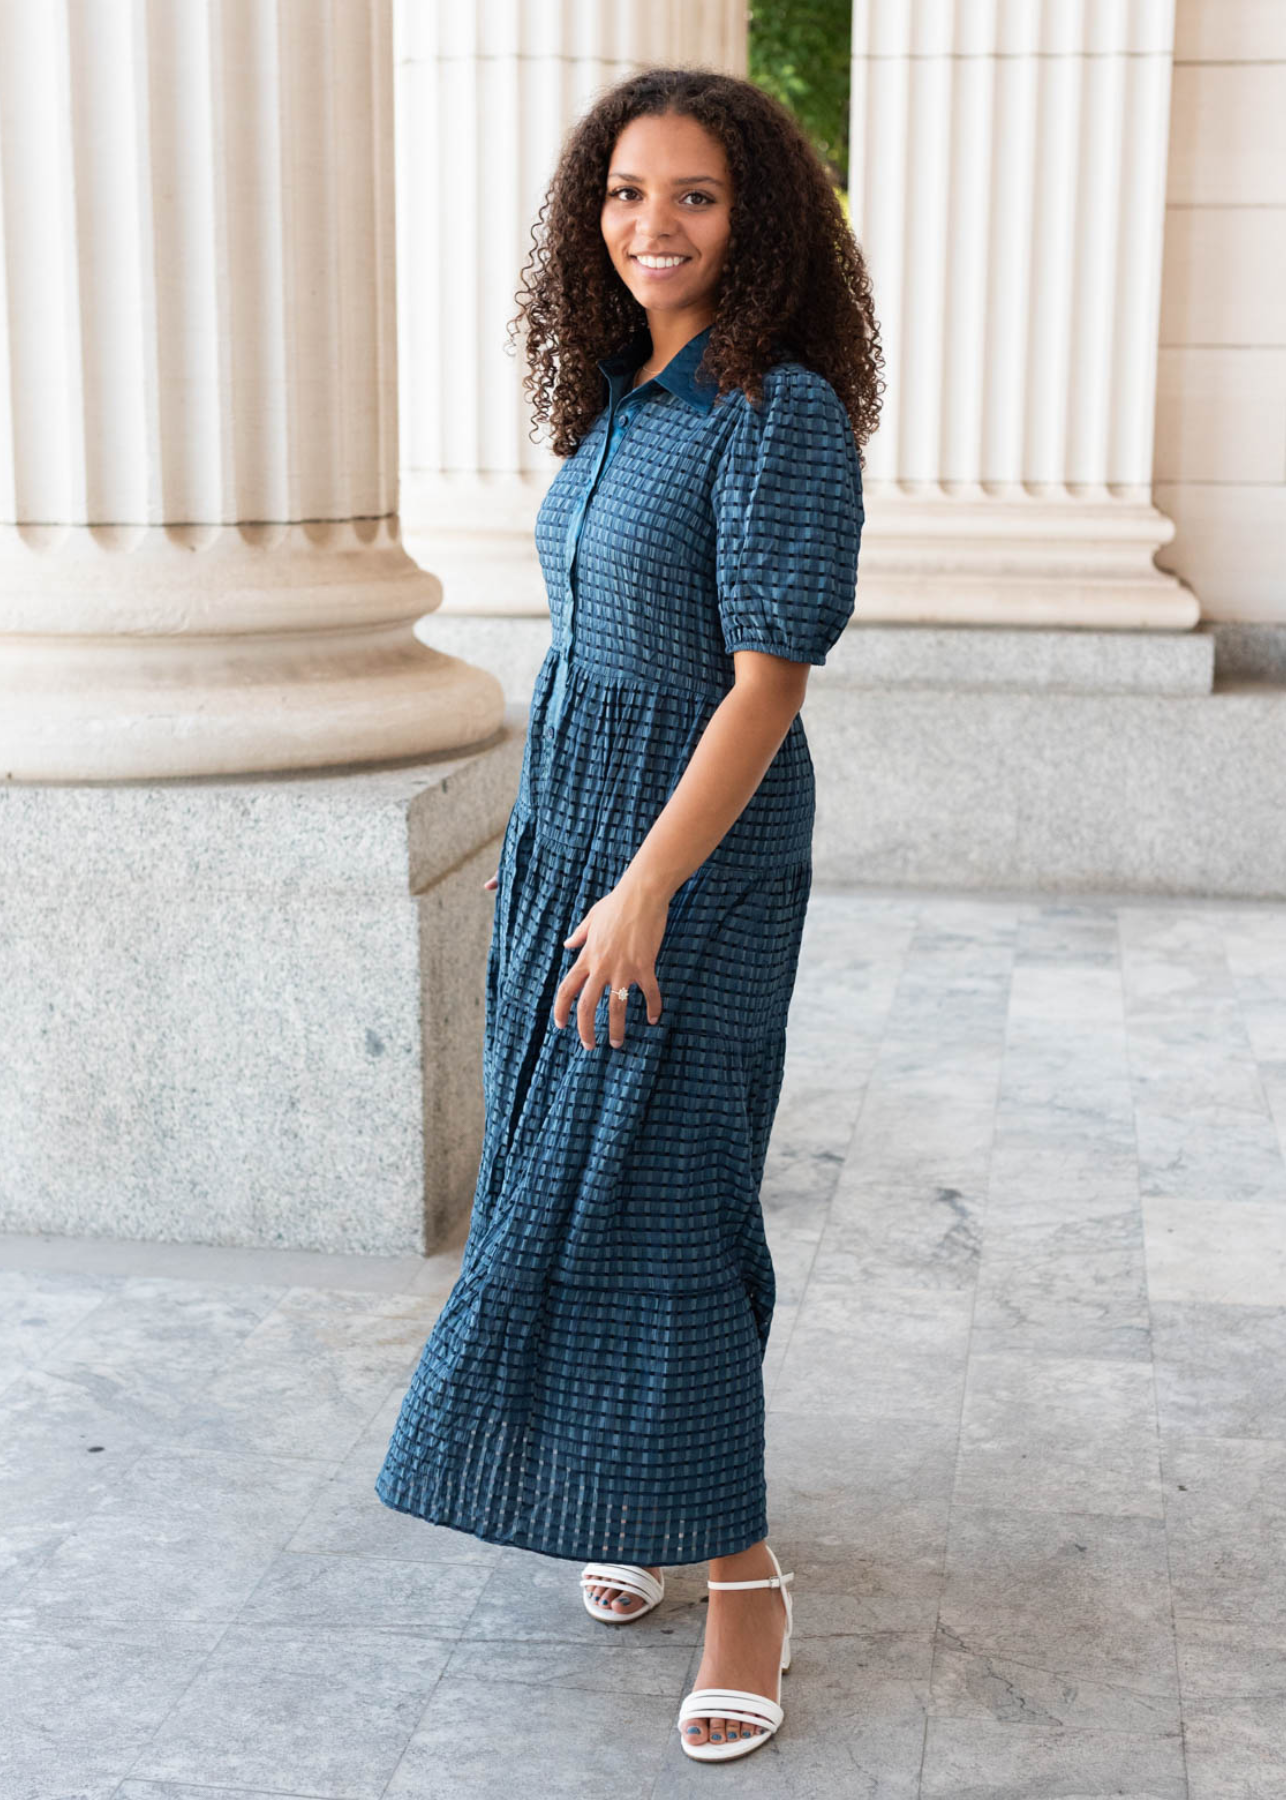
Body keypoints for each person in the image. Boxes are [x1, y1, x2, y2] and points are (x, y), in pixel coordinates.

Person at [376, 65, 882, 1764]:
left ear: (761, 224)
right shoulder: (620, 391)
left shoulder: (777, 413)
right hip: (573, 826)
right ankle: (631, 1484)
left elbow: (763, 686)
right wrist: (566, 862)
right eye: (622, 193)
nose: (649, 227)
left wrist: (645, 892)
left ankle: (741, 1579)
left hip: (692, 857)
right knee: (558, 1168)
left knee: (659, 1196)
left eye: (693, 197)